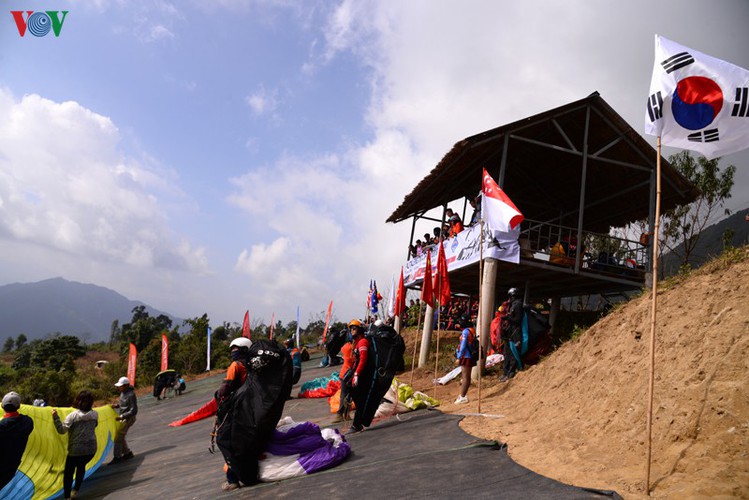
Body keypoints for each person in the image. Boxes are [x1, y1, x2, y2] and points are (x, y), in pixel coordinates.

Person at [216, 337, 252, 491]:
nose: (232, 352)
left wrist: (218, 395)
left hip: (236, 410)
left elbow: (225, 388)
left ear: (243, 349)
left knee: (224, 440)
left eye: (235, 349)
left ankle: (233, 479)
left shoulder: (235, 365)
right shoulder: (253, 365)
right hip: (250, 407)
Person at [52, 390, 98, 500]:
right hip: (91, 450)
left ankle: (67, 497)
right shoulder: (95, 414)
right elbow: (94, 426)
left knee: (68, 473)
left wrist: (55, 417)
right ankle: (76, 490)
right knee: (81, 466)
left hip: (76, 450)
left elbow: (62, 430)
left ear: (78, 401)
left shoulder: (72, 416)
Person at [0, 392, 34, 490]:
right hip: (11, 468)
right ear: (18, 406)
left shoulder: (2, 427)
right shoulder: (28, 422)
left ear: (2, 406)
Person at [346, 319, 370, 433]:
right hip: (358, 375)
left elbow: (363, 359)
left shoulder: (363, 342)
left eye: (354, 328)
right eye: (350, 328)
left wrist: (356, 374)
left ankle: (357, 424)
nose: (352, 330)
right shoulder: (356, 343)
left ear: (359, 329)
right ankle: (358, 423)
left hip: (363, 376)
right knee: (357, 400)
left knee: (360, 401)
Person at [109, 377, 137, 464]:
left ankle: (117, 457)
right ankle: (127, 453)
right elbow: (123, 405)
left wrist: (122, 416)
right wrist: (116, 406)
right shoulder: (123, 393)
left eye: (120, 386)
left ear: (125, 386)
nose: (118, 388)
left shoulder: (131, 395)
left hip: (128, 418)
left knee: (118, 437)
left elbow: (133, 410)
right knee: (120, 436)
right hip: (123, 418)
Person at [500, 288, 523, 382]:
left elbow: (517, 320)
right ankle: (505, 372)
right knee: (506, 353)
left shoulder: (518, 305)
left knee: (512, 353)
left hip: (515, 333)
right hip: (510, 333)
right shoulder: (513, 305)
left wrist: (508, 318)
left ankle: (510, 372)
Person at [332, 332, 354, 423]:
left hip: (344, 373)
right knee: (345, 395)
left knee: (348, 395)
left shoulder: (345, 346)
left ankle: (346, 414)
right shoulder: (351, 348)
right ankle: (340, 414)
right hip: (347, 374)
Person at [454, 327, 476, 404]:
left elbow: (463, 345)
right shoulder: (471, 330)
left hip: (465, 356)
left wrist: (459, 357)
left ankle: (463, 396)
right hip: (468, 356)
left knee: (465, 376)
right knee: (466, 376)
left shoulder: (465, 331)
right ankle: (462, 395)